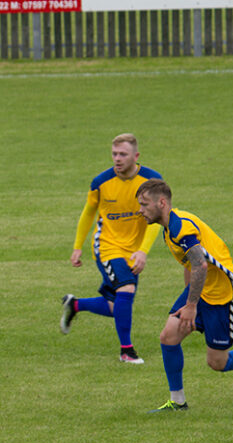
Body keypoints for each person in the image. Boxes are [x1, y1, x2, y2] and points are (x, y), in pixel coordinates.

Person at [135, 179, 233, 412]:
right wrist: (188, 299)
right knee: (168, 336)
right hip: (201, 291)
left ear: (161, 203)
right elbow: (190, 264)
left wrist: (192, 306)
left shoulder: (180, 227)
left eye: (144, 205)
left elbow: (200, 264)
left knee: (217, 362)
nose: (140, 210)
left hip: (224, 295)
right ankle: (178, 402)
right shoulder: (168, 227)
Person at [60, 133, 161, 364]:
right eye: (114, 154)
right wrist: (77, 247)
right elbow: (88, 213)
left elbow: (157, 217)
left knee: (117, 306)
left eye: (123, 154)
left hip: (133, 250)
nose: (117, 159)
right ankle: (126, 351)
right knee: (126, 289)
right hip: (107, 246)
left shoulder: (151, 181)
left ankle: (75, 304)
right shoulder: (101, 182)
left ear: (136, 156)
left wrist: (143, 250)